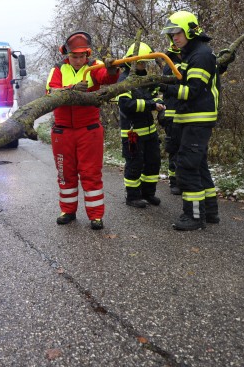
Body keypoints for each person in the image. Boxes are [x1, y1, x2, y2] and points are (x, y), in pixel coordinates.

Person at [46, 31, 120, 229]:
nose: (78, 60)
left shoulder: (94, 66)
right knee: (65, 173)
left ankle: (96, 215)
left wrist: (113, 70)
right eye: (74, 56)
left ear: (87, 54)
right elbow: (51, 91)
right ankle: (67, 210)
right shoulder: (58, 70)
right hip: (63, 132)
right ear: (67, 54)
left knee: (90, 173)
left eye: (82, 56)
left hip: (89, 130)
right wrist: (72, 89)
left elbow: (107, 78)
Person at [159, 10, 219, 231]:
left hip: (198, 119)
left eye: (178, 32)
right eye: (171, 34)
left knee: (186, 166)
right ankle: (211, 212)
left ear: (190, 30)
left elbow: (192, 91)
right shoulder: (192, 54)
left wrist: (167, 89)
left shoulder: (201, 55)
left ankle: (194, 216)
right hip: (192, 118)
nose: (174, 37)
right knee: (199, 165)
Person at [117, 42, 165, 208]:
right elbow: (126, 104)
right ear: (131, 61)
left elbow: (156, 95)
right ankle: (133, 196)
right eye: (140, 62)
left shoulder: (145, 78)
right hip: (133, 133)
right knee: (134, 164)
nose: (143, 65)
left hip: (150, 132)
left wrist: (158, 103)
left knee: (153, 162)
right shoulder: (124, 80)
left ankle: (148, 193)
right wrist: (151, 105)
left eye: (145, 62)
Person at [157, 44, 182, 195]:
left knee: (182, 150)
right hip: (172, 115)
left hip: (182, 114)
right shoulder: (170, 67)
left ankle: (182, 180)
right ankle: (174, 182)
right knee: (174, 149)